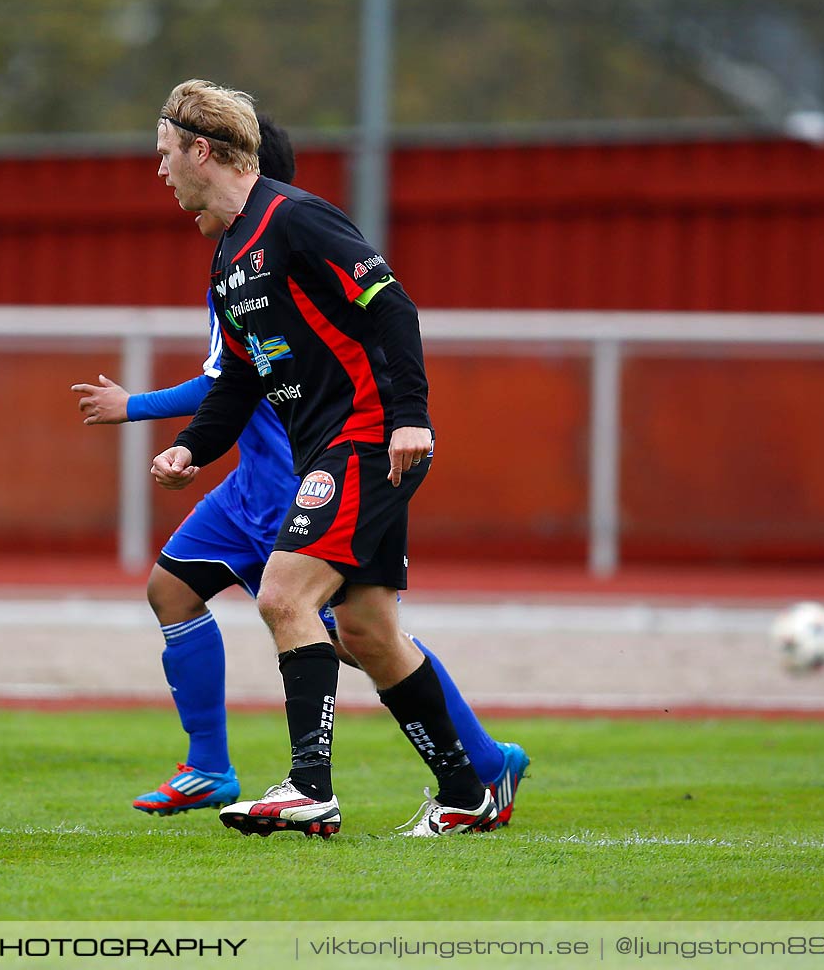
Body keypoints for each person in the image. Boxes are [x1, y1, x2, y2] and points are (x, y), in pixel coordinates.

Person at [75, 117, 528, 828]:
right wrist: (191, 449)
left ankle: (308, 788)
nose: (159, 171)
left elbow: (391, 304)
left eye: (164, 154)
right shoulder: (229, 261)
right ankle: (471, 794)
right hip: (330, 445)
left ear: (203, 150)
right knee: (370, 633)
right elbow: (241, 379)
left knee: (284, 596)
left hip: (369, 436)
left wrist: (411, 413)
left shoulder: (295, 217)